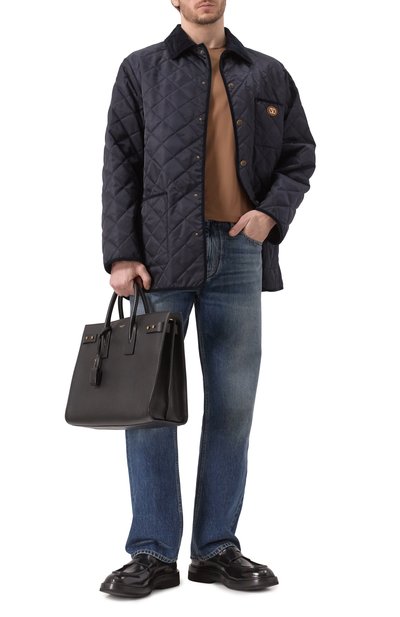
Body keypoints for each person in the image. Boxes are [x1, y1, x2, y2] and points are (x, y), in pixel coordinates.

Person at [100, 0, 316, 598]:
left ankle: (216, 547)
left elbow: (300, 154)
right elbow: (120, 161)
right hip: (158, 258)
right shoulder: (141, 69)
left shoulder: (267, 72)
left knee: (233, 404)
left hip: (240, 253)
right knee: (147, 406)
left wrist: (270, 214)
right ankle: (151, 552)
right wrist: (121, 254)